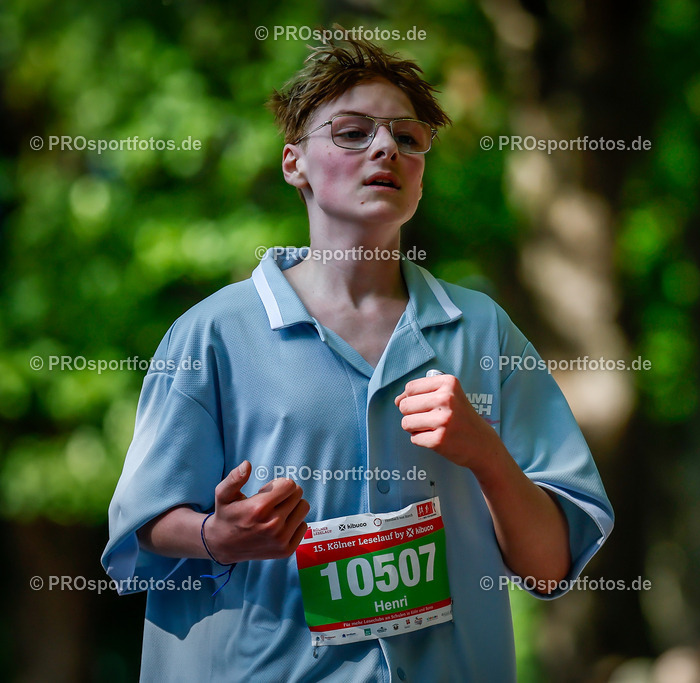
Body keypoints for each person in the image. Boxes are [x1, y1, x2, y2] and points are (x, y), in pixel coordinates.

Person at [101, 33, 613, 682]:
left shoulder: (485, 332)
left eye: (407, 137)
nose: (384, 148)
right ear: (295, 164)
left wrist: (485, 450)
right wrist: (216, 536)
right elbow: (142, 523)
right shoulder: (213, 334)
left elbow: (549, 565)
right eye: (351, 132)